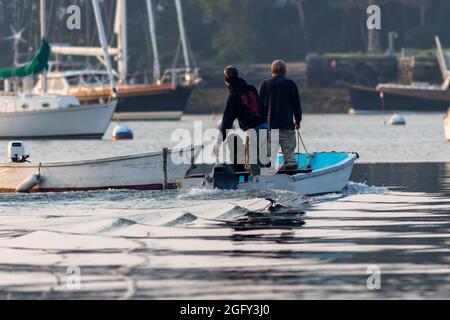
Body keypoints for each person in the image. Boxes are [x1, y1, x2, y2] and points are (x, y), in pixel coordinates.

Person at [214, 66, 269, 173]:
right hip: (266, 128)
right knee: (263, 163)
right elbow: (262, 108)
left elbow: (227, 122)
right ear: (238, 76)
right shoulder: (252, 89)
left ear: (226, 80)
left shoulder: (233, 97)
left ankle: (258, 188)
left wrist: (218, 142)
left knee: (253, 168)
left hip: (253, 132)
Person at [259, 60, 302, 171]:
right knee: (290, 157)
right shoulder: (291, 84)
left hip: (270, 127)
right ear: (284, 72)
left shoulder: (265, 84)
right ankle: (290, 165)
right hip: (287, 126)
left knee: (269, 157)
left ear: (272, 71)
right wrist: (298, 121)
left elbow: (259, 106)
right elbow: (297, 105)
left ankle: (269, 172)